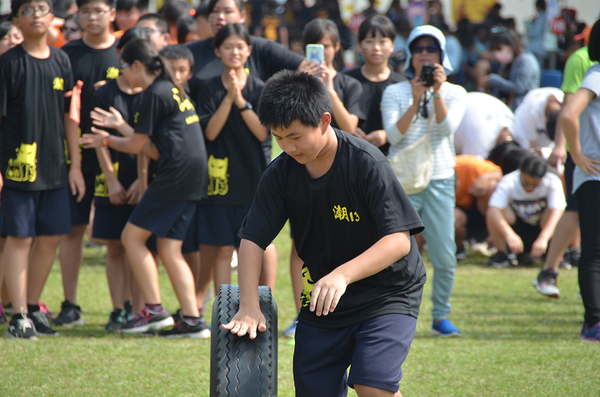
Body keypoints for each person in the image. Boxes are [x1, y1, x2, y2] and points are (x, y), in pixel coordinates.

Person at [223, 70, 426, 397]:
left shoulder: (365, 163)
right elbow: (253, 240)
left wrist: (342, 275)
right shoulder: (280, 175)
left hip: (387, 292)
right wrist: (249, 304)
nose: (288, 147)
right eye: (278, 137)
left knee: (372, 384)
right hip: (325, 301)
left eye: (296, 136)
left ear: (324, 121)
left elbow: (399, 240)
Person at [80, 38, 209, 337]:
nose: (120, 74)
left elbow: (138, 146)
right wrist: (121, 125)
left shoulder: (155, 93)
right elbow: (152, 148)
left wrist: (106, 140)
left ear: (137, 66)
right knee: (168, 246)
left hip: (175, 174)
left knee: (131, 237)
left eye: (123, 68)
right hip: (192, 174)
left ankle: (154, 310)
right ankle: (192, 319)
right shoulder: (170, 90)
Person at [0, 0, 85, 338]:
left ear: (53, 17)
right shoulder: (7, 63)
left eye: (42, 8)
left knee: (50, 238)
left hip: (54, 165)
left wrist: (75, 165)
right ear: (17, 18)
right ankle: (16, 313)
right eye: (29, 9)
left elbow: (70, 118)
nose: (37, 14)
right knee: (20, 238)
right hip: (17, 166)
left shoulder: (62, 59)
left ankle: (33, 308)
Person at [381, 24, 466, 337]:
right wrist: (416, 101)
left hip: (440, 179)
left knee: (444, 253)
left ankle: (440, 315)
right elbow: (393, 135)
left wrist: (438, 93)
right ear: (410, 55)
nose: (425, 55)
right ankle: (390, 312)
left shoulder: (456, 92)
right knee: (393, 251)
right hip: (402, 180)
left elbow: (447, 131)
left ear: (442, 56)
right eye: (419, 49)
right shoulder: (395, 91)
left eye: (432, 49)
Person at [196, 23, 271, 306]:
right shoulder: (208, 88)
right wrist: (228, 98)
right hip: (219, 180)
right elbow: (211, 132)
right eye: (228, 46)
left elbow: (262, 132)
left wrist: (239, 99)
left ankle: (257, 304)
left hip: (252, 179)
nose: (234, 52)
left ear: (249, 50)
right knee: (221, 250)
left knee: (253, 246)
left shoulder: (260, 89)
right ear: (217, 51)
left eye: (240, 46)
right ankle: (223, 309)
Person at [57, 0, 120, 328]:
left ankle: (122, 308)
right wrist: (75, 165)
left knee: (117, 235)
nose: (92, 18)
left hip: (119, 155)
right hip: (77, 154)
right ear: (77, 14)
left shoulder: (124, 52)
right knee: (73, 229)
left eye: (98, 11)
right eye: (86, 12)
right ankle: (70, 304)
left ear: (112, 13)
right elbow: (67, 112)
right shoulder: (67, 54)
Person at [534, 25, 598, 299]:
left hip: (583, 152)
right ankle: (549, 270)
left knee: (574, 215)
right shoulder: (583, 61)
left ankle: (550, 269)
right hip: (583, 154)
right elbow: (568, 106)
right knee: (573, 213)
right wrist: (567, 149)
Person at [88, 30, 145, 332]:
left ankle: (139, 309)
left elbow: (151, 143)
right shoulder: (104, 94)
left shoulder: (152, 93)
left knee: (139, 246)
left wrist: (142, 182)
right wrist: (110, 179)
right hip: (111, 177)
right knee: (114, 247)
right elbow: (98, 140)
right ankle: (117, 309)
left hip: (143, 180)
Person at [560, 19, 600, 342]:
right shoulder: (596, 73)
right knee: (594, 253)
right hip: (593, 176)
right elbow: (567, 115)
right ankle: (594, 323)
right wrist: (577, 156)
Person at [186, 0, 306, 102]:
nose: (220, 17)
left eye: (228, 11)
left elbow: (307, 66)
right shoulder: (191, 51)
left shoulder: (261, 47)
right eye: (215, 11)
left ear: (242, 16)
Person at [486, 153, 565, 268]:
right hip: (516, 231)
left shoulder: (552, 181)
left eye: (535, 185)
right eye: (526, 183)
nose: (529, 188)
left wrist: (543, 238)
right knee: (495, 212)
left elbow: (558, 210)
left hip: (542, 229)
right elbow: (493, 209)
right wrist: (509, 235)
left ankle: (556, 253)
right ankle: (502, 253)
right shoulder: (509, 181)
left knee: (558, 212)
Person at [344, 14, 404, 154]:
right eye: (370, 41)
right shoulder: (346, 80)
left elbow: (409, 123)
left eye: (383, 41)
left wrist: (387, 134)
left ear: (392, 46)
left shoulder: (401, 85)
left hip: (391, 159)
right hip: (353, 155)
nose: (376, 47)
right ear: (359, 45)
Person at [302, 18, 365, 135]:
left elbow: (350, 129)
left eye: (325, 47)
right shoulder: (297, 80)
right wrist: (300, 81)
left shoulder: (350, 84)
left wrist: (330, 91)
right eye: (314, 47)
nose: (320, 53)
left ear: (336, 46)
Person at [477, 25, 540, 111]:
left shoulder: (526, 60)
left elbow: (518, 89)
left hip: (522, 111)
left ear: (511, 46)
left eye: (499, 49)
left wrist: (493, 80)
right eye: (494, 51)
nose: (496, 54)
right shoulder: (506, 63)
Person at [454, 155, 502, 258]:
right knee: (452, 218)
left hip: (481, 210)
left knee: (492, 186)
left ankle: (493, 237)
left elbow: (501, 174)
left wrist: (485, 177)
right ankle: (458, 247)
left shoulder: (468, 164)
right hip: (457, 211)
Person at [454, 92, 514, 158]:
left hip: (470, 103)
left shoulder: (515, 126)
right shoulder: (482, 141)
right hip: (446, 125)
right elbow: (469, 165)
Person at [510, 87, 563, 152]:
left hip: (545, 139)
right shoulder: (533, 109)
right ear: (545, 120)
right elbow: (532, 145)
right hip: (523, 130)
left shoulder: (565, 102)